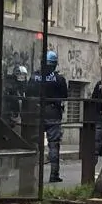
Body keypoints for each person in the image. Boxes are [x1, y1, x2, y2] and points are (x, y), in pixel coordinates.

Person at [31, 51, 68, 183]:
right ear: (54, 64)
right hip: (53, 112)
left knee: (34, 144)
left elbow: (28, 93)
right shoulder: (59, 79)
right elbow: (65, 95)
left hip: (36, 112)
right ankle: (54, 174)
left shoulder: (35, 77)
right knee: (53, 144)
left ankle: (30, 175)